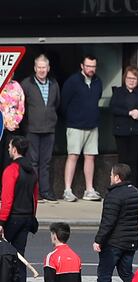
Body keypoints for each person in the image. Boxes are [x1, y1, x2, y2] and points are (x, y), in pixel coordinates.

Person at [85, 163, 138, 282]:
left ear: (117, 177)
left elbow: (108, 221)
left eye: (111, 175)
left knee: (104, 275)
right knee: (126, 272)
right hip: (130, 241)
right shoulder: (135, 192)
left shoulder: (114, 195)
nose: (109, 177)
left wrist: (99, 240)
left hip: (114, 242)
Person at [0, 135, 38, 282]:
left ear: (14, 149)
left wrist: (1, 221)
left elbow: (6, 199)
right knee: (19, 256)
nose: (8, 149)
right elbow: (34, 197)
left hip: (12, 218)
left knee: (5, 257)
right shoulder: (32, 171)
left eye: (9, 147)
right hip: (26, 217)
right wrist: (32, 216)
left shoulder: (11, 170)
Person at [60, 54, 102, 202]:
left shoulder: (98, 81)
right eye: (88, 66)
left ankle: (89, 190)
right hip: (75, 125)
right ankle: (67, 190)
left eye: (93, 66)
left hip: (92, 125)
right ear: (82, 66)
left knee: (90, 157)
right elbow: (64, 103)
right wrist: (72, 117)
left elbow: (97, 99)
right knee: (73, 156)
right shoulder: (72, 82)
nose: (91, 69)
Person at [21, 54, 60, 203]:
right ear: (35, 68)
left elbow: (56, 104)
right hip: (32, 129)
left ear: (48, 68)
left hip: (49, 129)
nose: (42, 70)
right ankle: (34, 192)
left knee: (46, 162)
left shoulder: (54, 84)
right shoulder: (26, 84)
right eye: (39, 67)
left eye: (44, 67)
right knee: (33, 162)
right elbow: (22, 106)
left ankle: (45, 191)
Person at [110, 66, 138, 191]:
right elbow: (113, 108)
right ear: (124, 79)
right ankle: (120, 187)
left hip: (137, 131)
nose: (131, 80)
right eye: (129, 78)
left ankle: (133, 187)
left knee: (134, 160)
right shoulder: (119, 92)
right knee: (122, 160)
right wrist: (128, 113)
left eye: (134, 78)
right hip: (121, 131)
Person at [1, 75, 25, 172]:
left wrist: (14, 122)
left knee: (8, 158)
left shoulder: (17, 86)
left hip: (12, 129)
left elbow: (21, 107)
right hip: (0, 127)